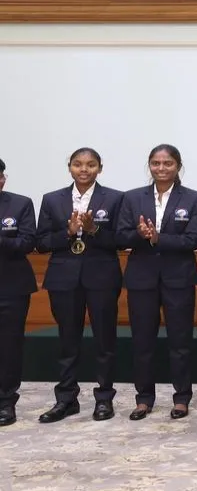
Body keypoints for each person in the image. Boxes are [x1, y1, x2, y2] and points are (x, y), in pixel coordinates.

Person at [35, 147, 124, 423]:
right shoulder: (52, 200)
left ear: (100, 167)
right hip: (64, 278)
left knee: (104, 340)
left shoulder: (115, 198)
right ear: (70, 167)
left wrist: (95, 230)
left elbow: (122, 240)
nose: (84, 169)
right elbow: (41, 243)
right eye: (78, 164)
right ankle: (66, 400)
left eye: (90, 164)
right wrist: (68, 233)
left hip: (102, 277)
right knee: (67, 340)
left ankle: (104, 398)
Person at [115, 144, 197, 420]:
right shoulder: (132, 198)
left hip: (179, 277)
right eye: (156, 163)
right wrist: (141, 235)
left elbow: (194, 239)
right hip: (142, 278)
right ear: (149, 166)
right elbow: (120, 237)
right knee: (142, 341)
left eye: (167, 163)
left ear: (178, 166)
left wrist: (157, 238)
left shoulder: (192, 198)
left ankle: (181, 398)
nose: (161, 168)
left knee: (180, 340)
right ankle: (143, 399)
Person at [0, 157, 37, 427]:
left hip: (11, 286)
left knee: (9, 346)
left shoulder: (20, 204)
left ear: (3, 178)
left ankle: (5, 402)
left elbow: (26, 242)